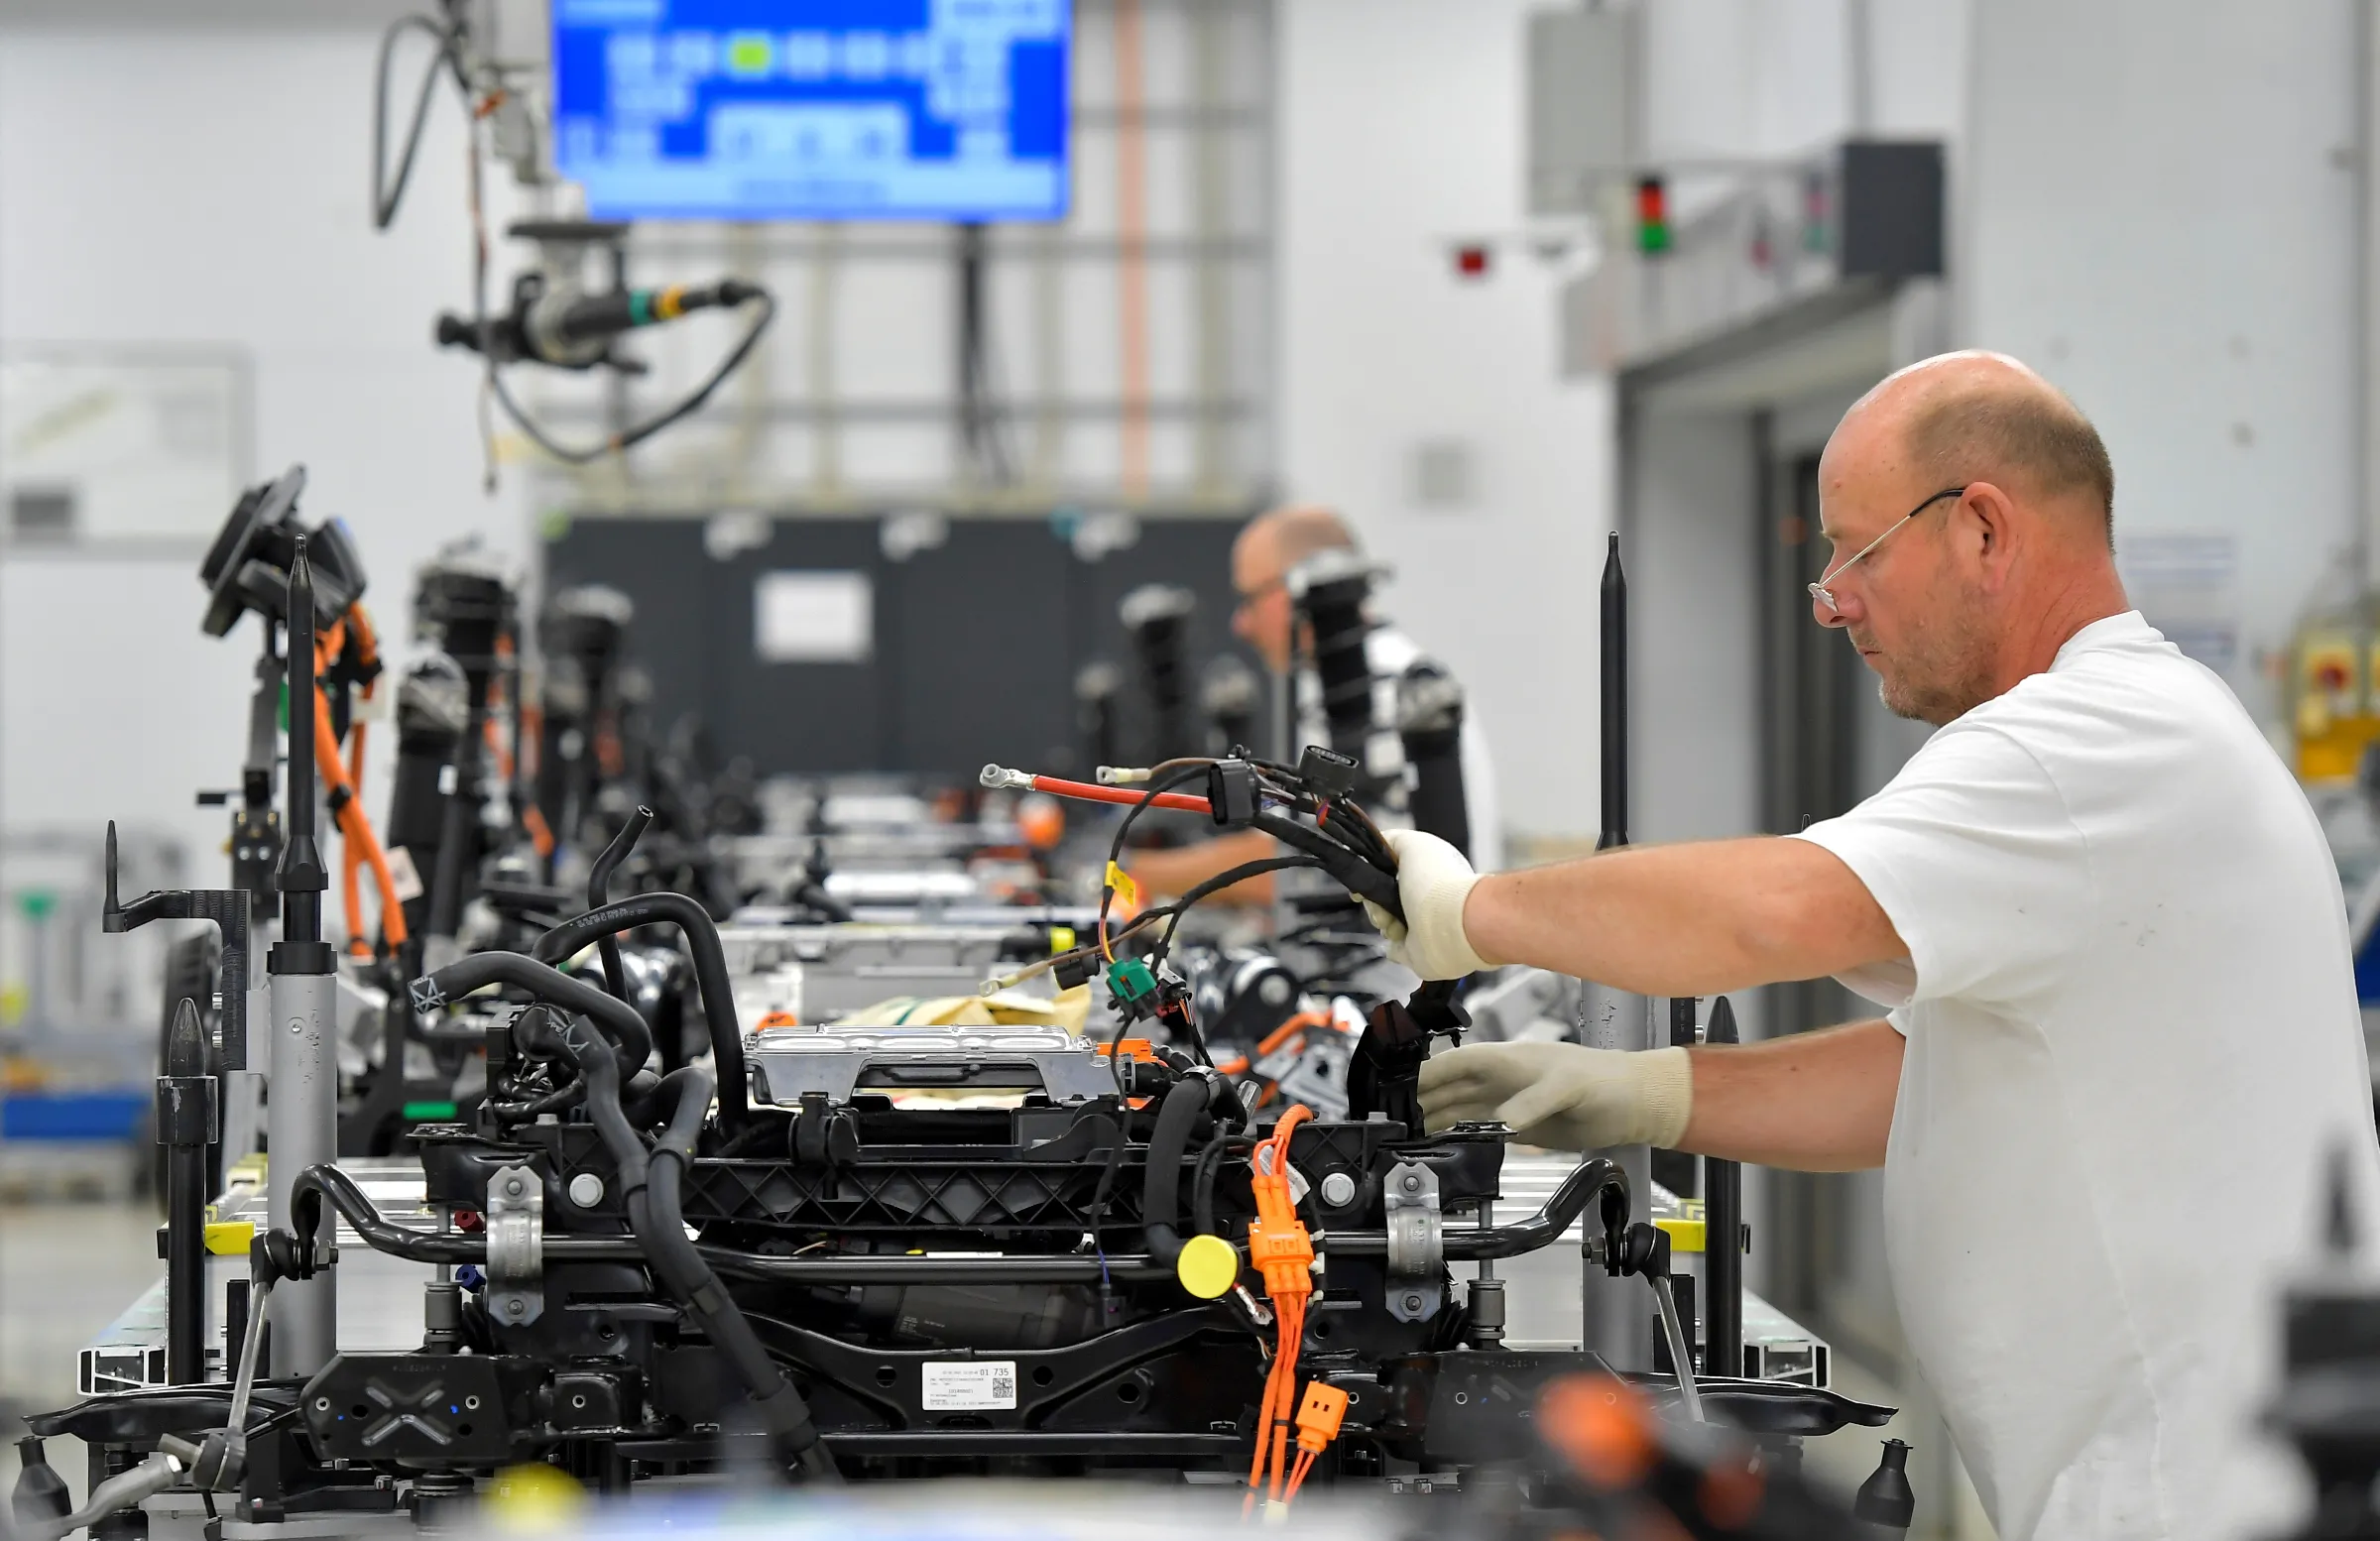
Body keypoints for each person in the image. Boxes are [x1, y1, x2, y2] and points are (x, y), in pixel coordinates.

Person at [1368, 352, 2380, 1541]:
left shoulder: (2088, 742)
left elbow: (1777, 912)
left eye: (1855, 553)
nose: (1830, 600)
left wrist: (1469, 912)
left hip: (2187, 1498)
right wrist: (1644, 1092)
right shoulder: (2131, 733)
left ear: (1984, 529)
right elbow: (1938, 1072)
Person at [1128, 503, 1500, 902]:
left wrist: (1130, 873)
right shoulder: (1359, 680)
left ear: (1303, 587)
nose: (1241, 624)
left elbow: (1323, 863)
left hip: (1407, 961)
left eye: (1250, 599)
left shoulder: (1386, 687)